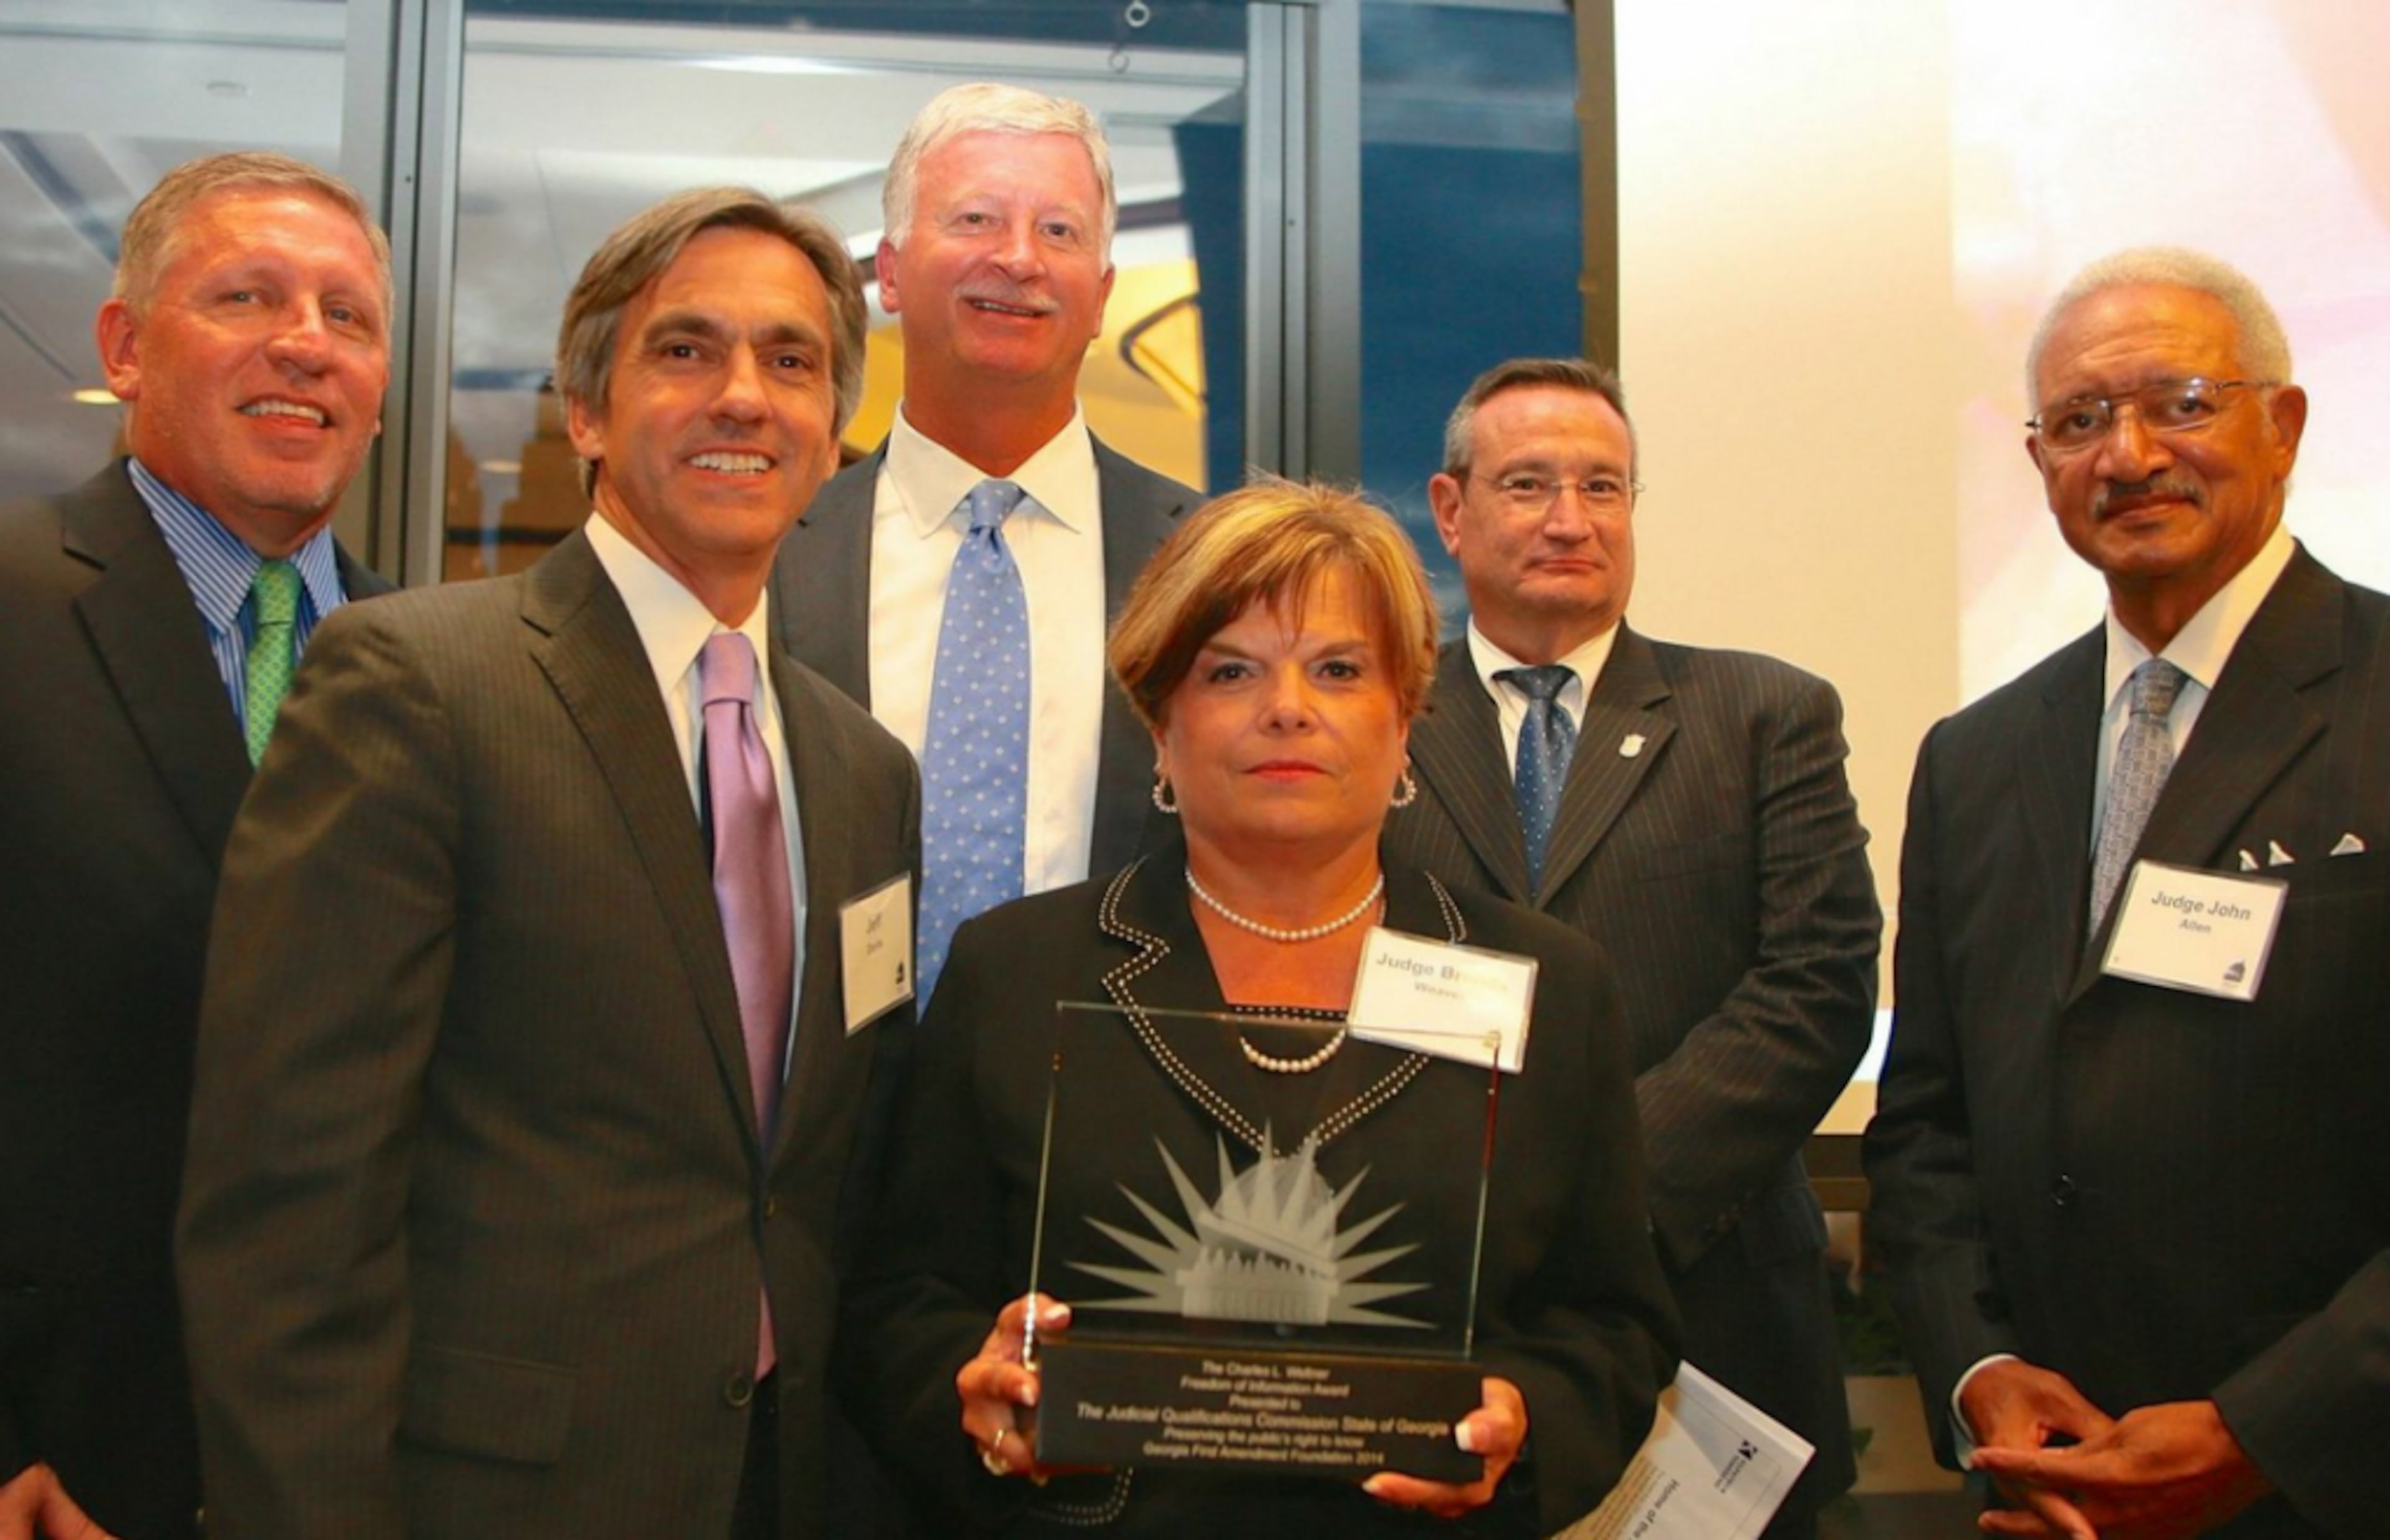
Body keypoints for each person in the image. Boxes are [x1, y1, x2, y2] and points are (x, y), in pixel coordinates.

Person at [176, 187, 919, 1539]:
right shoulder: (414, 683)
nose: (745, 396)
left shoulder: (870, 776)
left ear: (832, 435)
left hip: (782, 1487)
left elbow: (820, 1178)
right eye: (686, 351)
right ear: (586, 411)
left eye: (792, 360)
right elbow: (289, 1205)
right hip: (485, 1493)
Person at [840, 480, 1679, 1538]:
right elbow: (899, 1302)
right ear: (1159, 726)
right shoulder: (1017, 971)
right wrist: (974, 1389)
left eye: (1339, 669)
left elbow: (1611, 1325)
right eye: (1231, 671)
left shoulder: (1549, 985)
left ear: (1407, 719)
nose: (1289, 706)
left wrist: (1527, 1423)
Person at [1864, 248, 2388, 1540]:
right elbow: (1926, 1122)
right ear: (2041, 462)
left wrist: (2265, 1428)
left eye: (2184, 402)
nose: (2132, 452)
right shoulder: (1976, 754)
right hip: (2053, 1490)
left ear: (2285, 425)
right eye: (2083, 420)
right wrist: (1981, 1372)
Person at [1383, 357, 1879, 1538]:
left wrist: (1588, 1188)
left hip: (1716, 1309)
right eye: (1530, 484)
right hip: (1437, 1303)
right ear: (1450, 512)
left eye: (1604, 488)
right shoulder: (1379, 722)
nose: (1571, 520)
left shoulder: (1766, 715)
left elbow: (1815, 990)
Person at [0, 151, 396, 1540]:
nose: (306, 342)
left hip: (364, 1464)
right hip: (68, 1462)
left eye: (349, 316)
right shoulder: (11, 606)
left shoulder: (443, 675)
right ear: (123, 346)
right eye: (247, 295)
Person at [769, 81, 1197, 999]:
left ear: (1102, 293)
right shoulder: (771, 559)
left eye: (1060, 232)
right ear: (889, 272)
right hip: (830, 1117)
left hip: (1111, 1113)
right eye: (975, 219)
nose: (1018, 259)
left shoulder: (1207, 563)